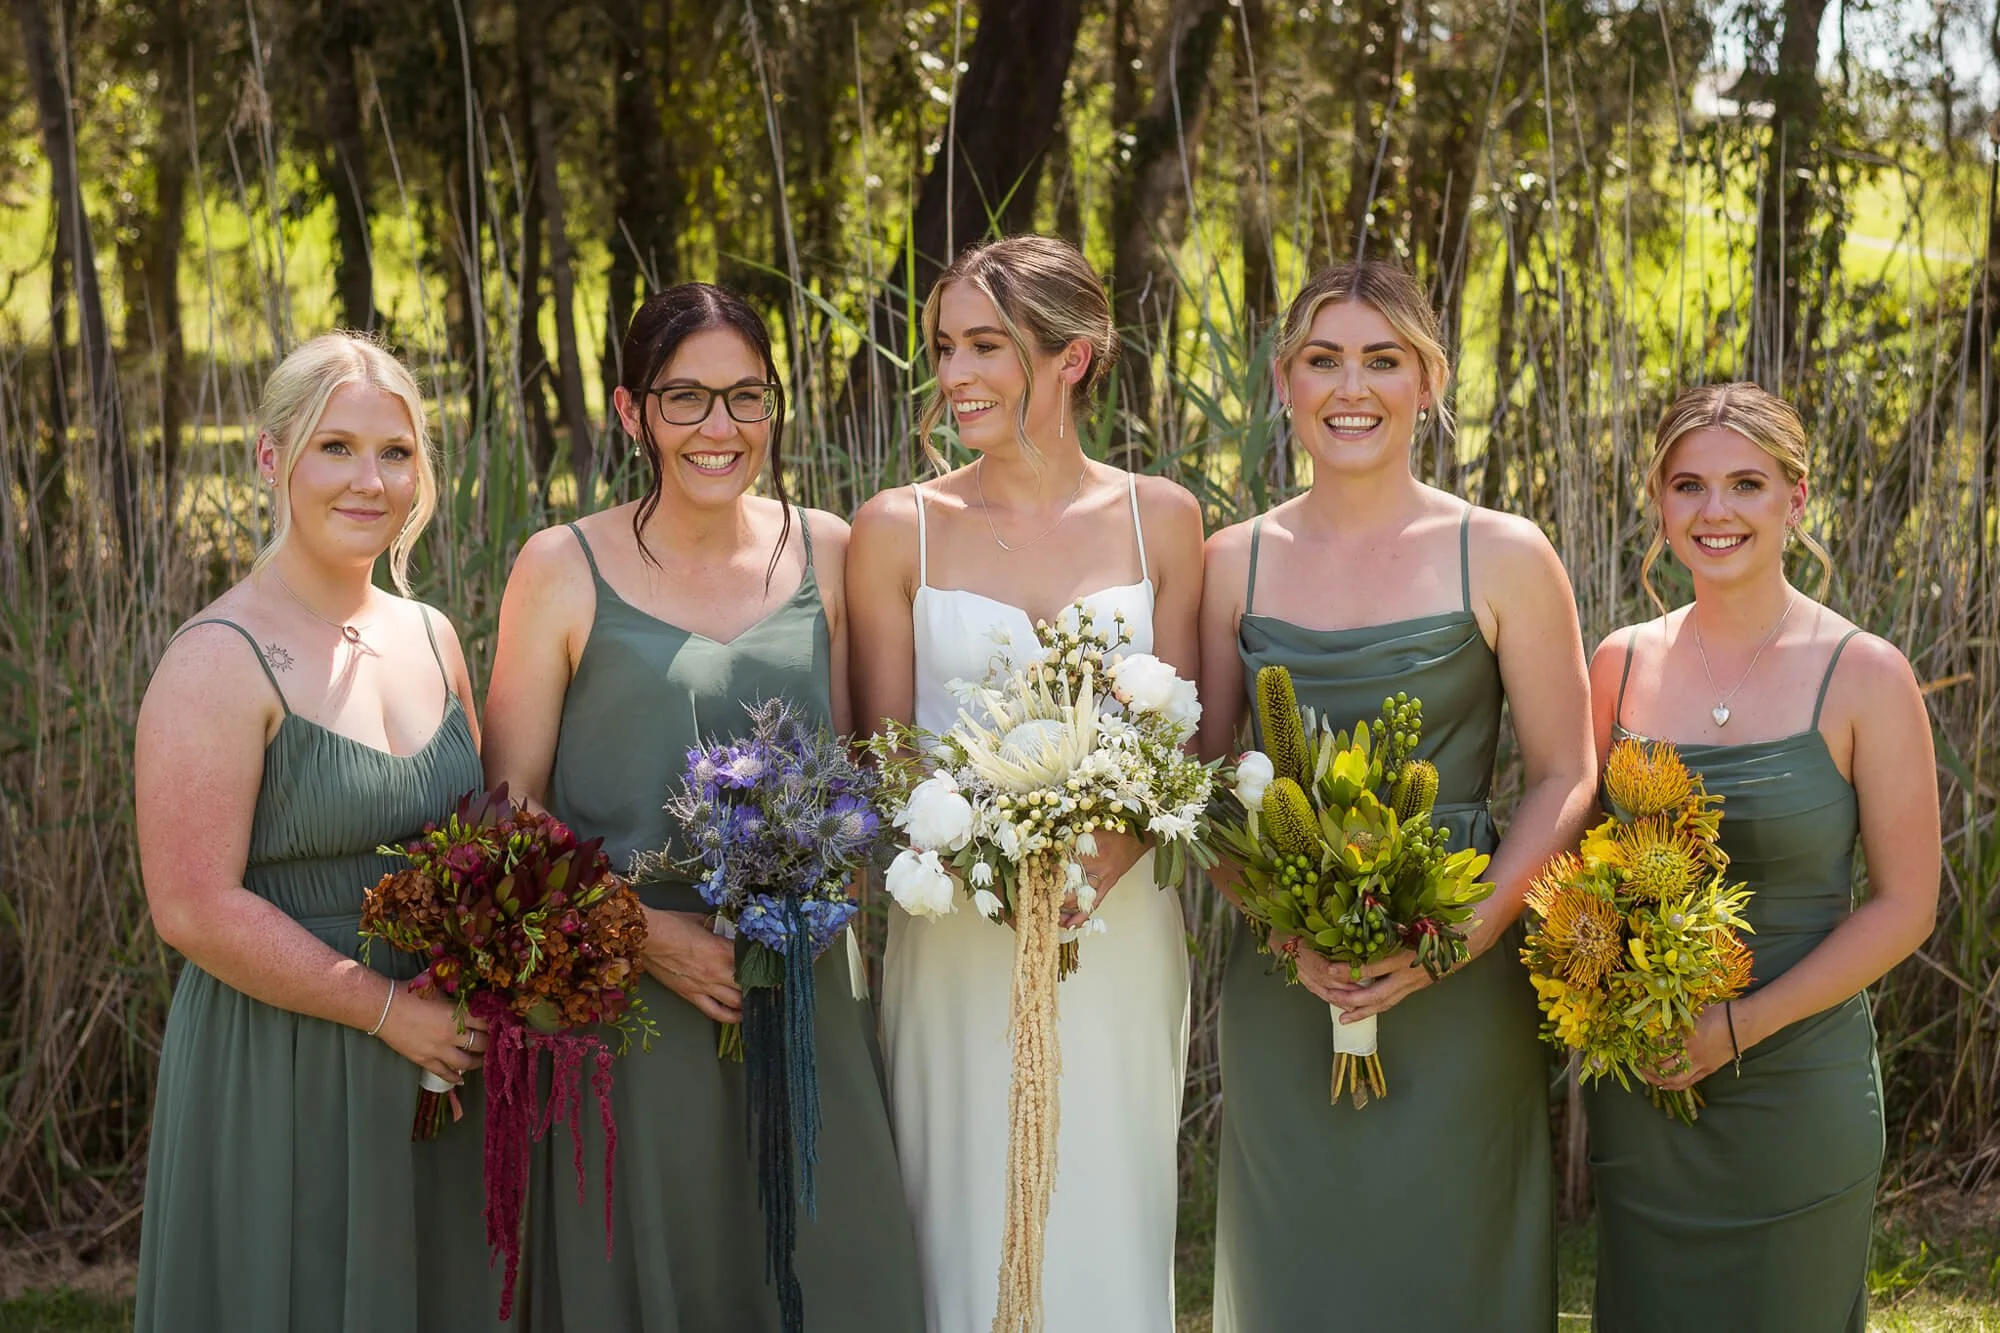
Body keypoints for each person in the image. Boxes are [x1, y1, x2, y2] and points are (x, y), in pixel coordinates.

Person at [480, 282, 923, 1331]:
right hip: (625, 994)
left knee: (833, 1269)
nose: (718, 428)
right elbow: (503, 812)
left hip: (800, 984)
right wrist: (644, 937)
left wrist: (817, 893)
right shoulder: (561, 566)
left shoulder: (826, 546)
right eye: (684, 399)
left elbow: (867, 765)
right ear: (632, 413)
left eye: (744, 397)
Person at [1196, 260, 1597, 1332]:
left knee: (1450, 1255)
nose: (1350, 387)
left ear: (1427, 381)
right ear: (1282, 382)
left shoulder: (1502, 554)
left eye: (1382, 360)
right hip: (1286, 976)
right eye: (1321, 360)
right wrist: (1291, 938)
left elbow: (1564, 773)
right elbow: (1201, 785)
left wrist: (1458, 936)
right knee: (1299, 1265)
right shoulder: (1231, 560)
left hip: (1463, 961)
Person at [846, 233, 1206, 1332]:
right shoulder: (895, 528)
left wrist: (1105, 853)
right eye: (945, 346)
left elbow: (1184, 744)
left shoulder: (1165, 518)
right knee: (958, 1212)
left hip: (1120, 929)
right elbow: (887, 756)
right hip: (956, 929)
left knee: (1107, 1205)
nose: (954, 374)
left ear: (1073, 356)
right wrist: (992, 858)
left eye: (985, 346)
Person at [133, 333, 488, 1333]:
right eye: (335, 448)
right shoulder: (217, 660)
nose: (368, 480)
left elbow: (484, 841)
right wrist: (384, 1009)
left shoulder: (432, 635)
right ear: (269, 458)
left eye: (395, 452)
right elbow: (192, 907)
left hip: (440, 1056)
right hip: (282, 1060)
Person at [1584, 381, 1938, 1331]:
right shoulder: (1617, 663)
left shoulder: (1865, 673)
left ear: (1797, 496)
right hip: (1648, 1091)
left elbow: (1907, 905)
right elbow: (1588, 868)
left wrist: (1738, 1026)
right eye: (1689, 486)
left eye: (1746, 484)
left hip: (1799, 1087)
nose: (1716, 511)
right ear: (1658, 501)